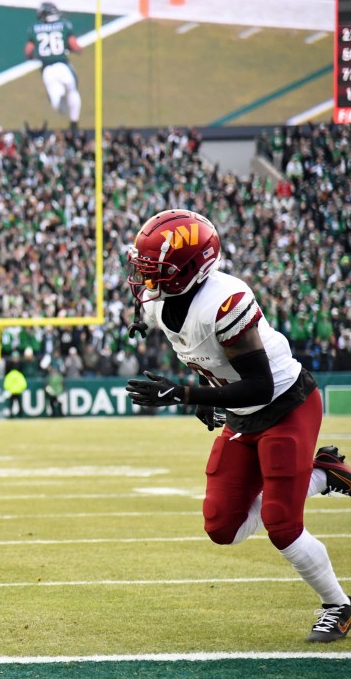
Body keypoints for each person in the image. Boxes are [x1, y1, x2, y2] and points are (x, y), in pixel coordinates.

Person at [124, 208, 351, 642]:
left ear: (188, 270)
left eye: (155, 271)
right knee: (220, 526)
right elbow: (203, 354)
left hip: (285, 405)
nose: (144, 280)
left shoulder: (225, 302)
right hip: (242, 415)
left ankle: (338, 605)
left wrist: (185, 394)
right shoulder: (162, 303)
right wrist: (202, 390)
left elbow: (260, 386)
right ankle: (320, 473)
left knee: (282, 525)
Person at [24, 2, 82, 135]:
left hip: (48, 70)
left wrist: (35, 56)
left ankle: (62, 103)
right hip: (63, 66)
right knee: (73, 91)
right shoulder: (64, 25)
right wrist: (76, 49)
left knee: (57, 104)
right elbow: (75, 45)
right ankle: (74, 122)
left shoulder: (35, 28)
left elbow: (28, 52)